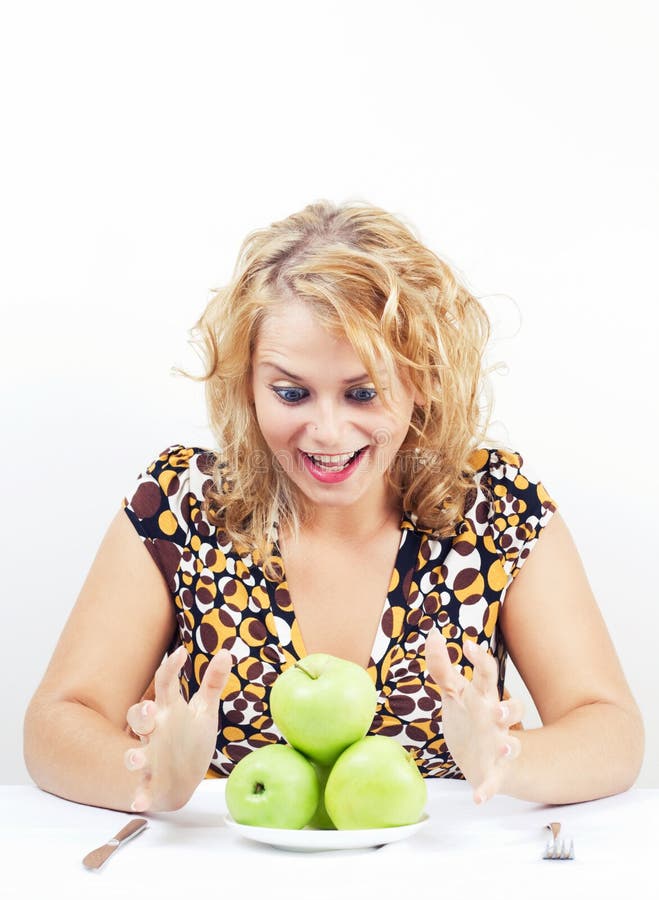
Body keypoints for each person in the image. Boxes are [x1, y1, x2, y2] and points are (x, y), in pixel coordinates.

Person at [23, 200, 644, 814]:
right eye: (291, 392)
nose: (326, 430)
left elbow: (610, 729)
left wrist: (511, 761)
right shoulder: (179, 505)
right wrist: (150, 780)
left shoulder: (496, 508)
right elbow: (57, 722)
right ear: (248, 384)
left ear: (421, 379)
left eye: (362, 392)